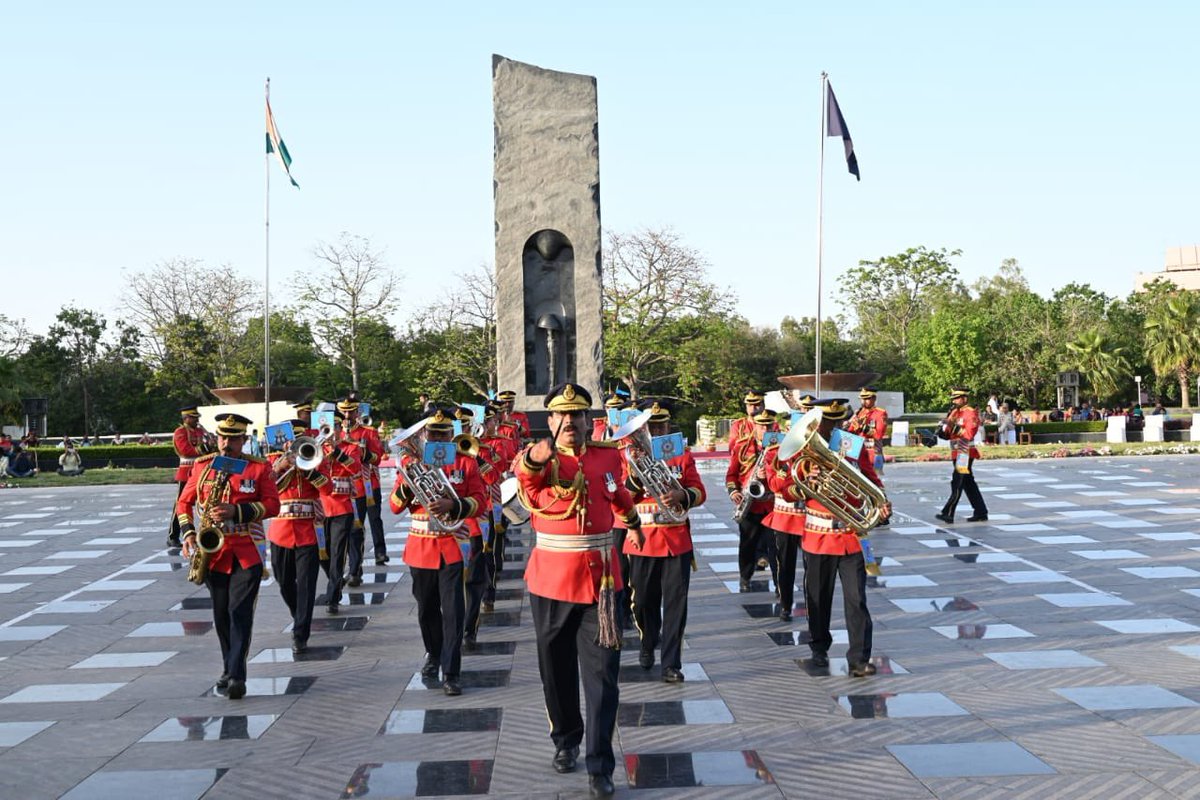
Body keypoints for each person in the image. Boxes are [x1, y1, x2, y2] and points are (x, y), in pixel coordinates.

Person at [516, 382, 642, 800]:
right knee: (556, 671)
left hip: (603, 584)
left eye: (578, 415)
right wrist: (537, 457)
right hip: (552, 580)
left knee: (604, 678)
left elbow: (617, 491)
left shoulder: (607, 455)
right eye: (562, 416)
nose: (571, 422)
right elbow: (527, 479)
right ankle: (566, 739)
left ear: (589, 420)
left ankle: (600, 766)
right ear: (550, 421)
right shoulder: (537, 459)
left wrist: (634, 521)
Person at [770, 398, 888, 677]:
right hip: (818, 536)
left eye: (837, 421)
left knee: (857, 599)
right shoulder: (800, 452)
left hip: (851, 535)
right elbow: (783, 488)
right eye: (827, 423)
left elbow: (871, 478)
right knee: (818, 598)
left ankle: (859, 658)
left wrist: (882, 500)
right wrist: (806, 483)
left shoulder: (851, 444)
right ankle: (818, 647)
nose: (833, 427)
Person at [177, 413, 281, 699]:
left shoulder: (258, 468)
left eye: (233, 439)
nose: (226, 444)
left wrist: (238, 511)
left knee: (239, 612)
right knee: (221, 615)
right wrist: (187, 534)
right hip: (214, 553)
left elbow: (273, 505)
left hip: (247, 550)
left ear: (244, 440)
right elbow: (183, 503)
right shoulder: (202, 467)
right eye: (223, 437)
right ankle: (228, 667)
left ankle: (237, 675)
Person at [389, 407, 486, 696]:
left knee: (454, 611)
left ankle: (451, 671)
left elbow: (480, 500)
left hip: (453, 546)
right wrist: (408, 485)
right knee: (426, 609)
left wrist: (454, 506)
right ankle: (433, 652)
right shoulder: (410, 465)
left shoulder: (465, 464)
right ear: (423, 436)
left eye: (444, 434)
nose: (439, 438)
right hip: (420, 546)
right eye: (433, 434)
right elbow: (394, 506)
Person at [623, 399, 705, 683]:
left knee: (675, 605)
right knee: (643, 601)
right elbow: (619, 496)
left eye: (662, 425)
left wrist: (683, 496)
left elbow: (699, 491)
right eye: (652, 427)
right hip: (643, 539)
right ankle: (647, 642)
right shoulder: (630, 457)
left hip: (676, 540)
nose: (657, 431)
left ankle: (671, 663)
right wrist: (635, 478)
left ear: (669, 426)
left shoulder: (682, 456)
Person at [267, 419, 329, 654]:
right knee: (284, 583)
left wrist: (311, 471)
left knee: (306, 585)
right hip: (281, 531)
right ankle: (298, 614)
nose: (296, 446)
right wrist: (280, 467)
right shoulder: (274, 462)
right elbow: (267, 488)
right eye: (293, 441)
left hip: (308, 532)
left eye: (300, 441)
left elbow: (328, 489)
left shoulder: (315, 460)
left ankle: (300, 632)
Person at [727, 408, 778, 593]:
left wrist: (770, 473)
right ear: (754, 426)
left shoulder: (780, 447)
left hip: (772, 504)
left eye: (768, 426)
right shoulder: (742, 446)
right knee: (747, 543)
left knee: (775, 548)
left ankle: (779, 583)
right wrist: (734, 492)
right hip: (749, 504)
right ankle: (745, 577)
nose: (765, 429)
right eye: (761, 426)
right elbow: (732, 474)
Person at [316, 410, 361, 614]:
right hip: (319, 507)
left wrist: (337, 452)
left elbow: (356, 469)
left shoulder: (350, 447)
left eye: (333, 428)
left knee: (337, 553)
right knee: (321, 554)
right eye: (326, 428)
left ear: (339, 428)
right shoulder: (315, 449)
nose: (330, 432)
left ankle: (333, 596)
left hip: (341, 507)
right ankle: (336, 580)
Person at [337, 396, 386, 579]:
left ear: (357, 412)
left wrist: (363, 452)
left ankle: (375, 555)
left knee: (372, 521)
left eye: (351, 411)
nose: (348, 415)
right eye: (345, 412)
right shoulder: (335, 434)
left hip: (367, 485)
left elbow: (378, 458)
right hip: (344, 488)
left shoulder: (368, 432)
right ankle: (355, 568)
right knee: (353, 530)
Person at [936, 388, 988, 524]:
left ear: (964, 398)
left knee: (957, 482)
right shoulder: (954, 412)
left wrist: (952, 427)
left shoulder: (970, 413)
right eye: (953, 398)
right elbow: (949, 433)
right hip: (956, 451)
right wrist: (942, 431)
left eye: (957, 398)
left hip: (965, 451)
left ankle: (948, 512)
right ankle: (981, 511)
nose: (954, 401)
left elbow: (969, 434)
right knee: (968, 483)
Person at [170, 405, 213, 548]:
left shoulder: (200, 431)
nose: (196, 420)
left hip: (202, 471)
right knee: (181, 504)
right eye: (194, 418)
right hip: (186, 472)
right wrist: (203, 449)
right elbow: (185, 450)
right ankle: (173, 535)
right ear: (186, 418)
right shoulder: (180, 432)